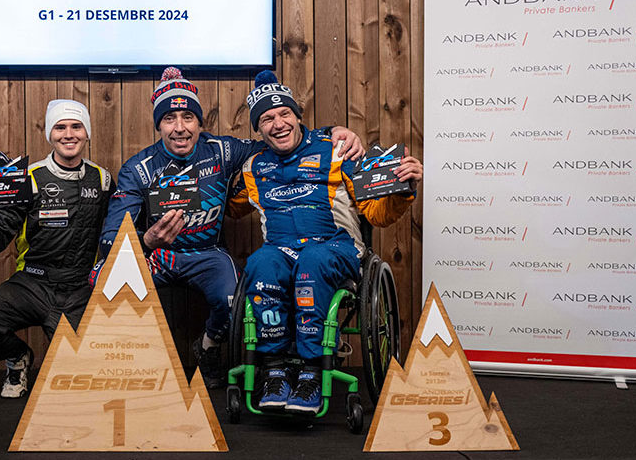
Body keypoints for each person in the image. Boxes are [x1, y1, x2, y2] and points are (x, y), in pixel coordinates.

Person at [95, 67, 364, 389]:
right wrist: (148, 240)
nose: (179, 128)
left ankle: (208, 348)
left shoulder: (222, 150)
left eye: (188, 117)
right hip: (158, 255)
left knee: (234, 300)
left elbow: (281, 139)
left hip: (206, 254)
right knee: (101, 277)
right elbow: (109, 241)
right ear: (158, 125)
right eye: (169, 119)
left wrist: (334, 131)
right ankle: (118, 366)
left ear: (199, 122)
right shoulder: (138, 169)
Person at [230, 71, 422, 413]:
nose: (278, 123)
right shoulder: (253, 167)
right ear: (258, 129)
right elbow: (228, 208)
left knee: (312, 262)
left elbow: (376, 214)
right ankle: (274, 371)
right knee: (260, 263)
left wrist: (404, 188)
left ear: (297, 116)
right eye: (267, 119)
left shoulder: (336, 151)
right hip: (280, 251)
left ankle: (312, 372)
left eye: (284, 113)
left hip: (335, 247)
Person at [0, 99, 114, 398]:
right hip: (32, 283)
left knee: (82, 388)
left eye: (76, 126)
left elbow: (116, 232)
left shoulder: (103, 179)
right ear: (50, 134)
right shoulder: (27, 179)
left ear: (87, 133)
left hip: (79, 288)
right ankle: (18, 358)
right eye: (60, 127)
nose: (68, 134)